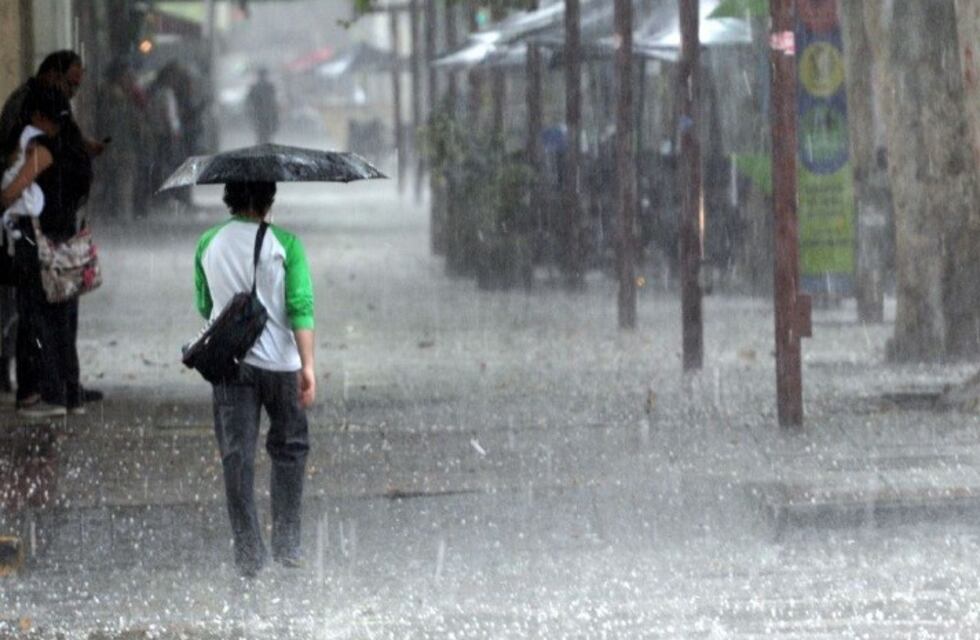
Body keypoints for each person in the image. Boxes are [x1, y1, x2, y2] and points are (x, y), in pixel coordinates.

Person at [194, 181, 316, 577]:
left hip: (230, 364)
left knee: (237, 457)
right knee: (290, 447)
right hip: (282, 365)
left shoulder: (208, 243)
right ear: (269, 199)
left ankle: (248, 552)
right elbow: (301, 306)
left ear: (228, 198)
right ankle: (287, 542)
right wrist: (308, 365)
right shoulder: (287, 244)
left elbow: (204, 304)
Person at [0, 50, 104, 407]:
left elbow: (15, 189)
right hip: (49, 236)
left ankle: (49, 387)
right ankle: (55, 388)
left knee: (44, 316)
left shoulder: (44, 143)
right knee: (51, 317)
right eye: (71, 82)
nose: (74, 90)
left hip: (44, 236)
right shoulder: (54, 143)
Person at [246, 68, 279, 145]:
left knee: (261, 135)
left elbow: (250, 102)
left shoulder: (254, 87)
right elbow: (273, 102)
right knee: (266, 135)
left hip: (260, 115)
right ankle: (265, 147)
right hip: (266, 115)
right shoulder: (270, 87)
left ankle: (262, 148)